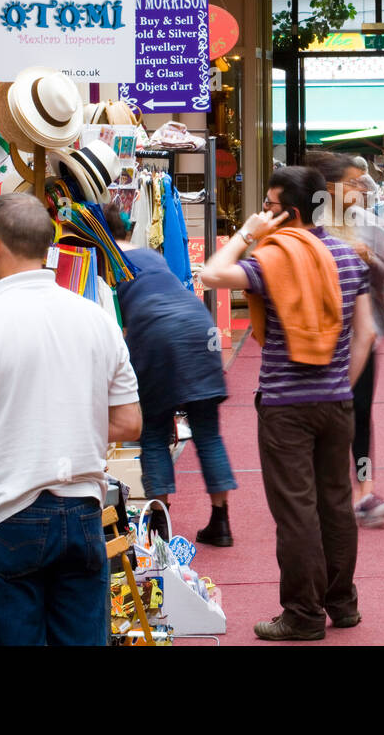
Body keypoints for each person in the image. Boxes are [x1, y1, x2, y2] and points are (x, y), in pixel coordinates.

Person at [0, 194, 142, 646]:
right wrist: (65, 426)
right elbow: (130, 422)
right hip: (81, 511)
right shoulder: (96, 319)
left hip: (7, 516)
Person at [201, 166, 373, 642]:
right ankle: (342, 603)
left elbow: (212, 273)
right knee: (336, 505)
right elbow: (367, 333)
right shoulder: (348, 255)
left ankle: (302, 614)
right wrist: (340, 382)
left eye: (270, 206)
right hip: (336, 401)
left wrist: (246, 232)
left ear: (291, 212)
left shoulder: (273, 259)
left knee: (297, 512)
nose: (263, 213)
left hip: (285, 406)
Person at [103, 204, 236, 547]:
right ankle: (221, 522)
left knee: (153, 432)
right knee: (208, 432)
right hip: (198, 326)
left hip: (154, 335)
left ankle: (160, 527)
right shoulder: (149, 255)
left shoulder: (105, 263)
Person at [305, 152, 384, 529]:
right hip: (319, 337)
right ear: (329, 189)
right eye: (354, 184)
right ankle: (317, 493)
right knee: (318, 417)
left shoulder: (367, 224)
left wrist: (372, 258)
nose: (362, 190)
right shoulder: (306, 225)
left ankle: (365, 491)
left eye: (363, 184)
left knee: (360, 414)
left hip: (362, 334)